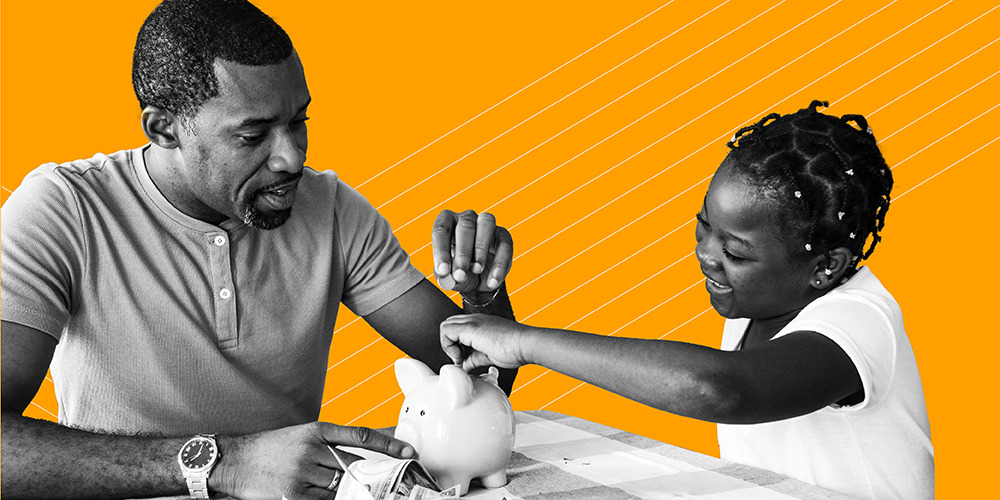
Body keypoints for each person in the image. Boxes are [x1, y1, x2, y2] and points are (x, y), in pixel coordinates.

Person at [0, 1, 517, 499]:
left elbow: (481, 382)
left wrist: (481, 299)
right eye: (253, 136)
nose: (291, 158)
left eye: (299, 122)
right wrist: (222, 464)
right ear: (164, 129)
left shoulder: (332, 209)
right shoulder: (63, 210)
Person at [441, 101, 934, 500]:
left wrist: (524, 341)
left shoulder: (861, 321)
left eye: (735, 252)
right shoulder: (765, 300)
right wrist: (486, 306)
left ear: (825, 267)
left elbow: (720, 389)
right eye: (703, 226)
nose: (706, 255)